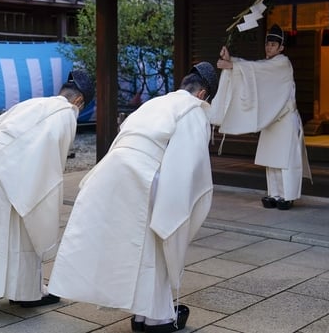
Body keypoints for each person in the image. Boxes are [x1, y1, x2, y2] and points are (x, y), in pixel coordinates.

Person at [48, 62, 218, 333]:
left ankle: (144, 314)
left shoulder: (155, 104)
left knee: (133, 246)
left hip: (112, 169)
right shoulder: (194, 110)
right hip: (144, 173)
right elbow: (188, 163)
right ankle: (157, 318)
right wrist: (178, 206)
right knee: (158, 241)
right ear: (202, 95)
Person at [0, 69, 95, 307]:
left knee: (10, 234)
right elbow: (50, 164)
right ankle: (28, 292)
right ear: (79, 101)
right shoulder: (67, 113)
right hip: (5, 172)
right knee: (27, 229)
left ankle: (20, 289)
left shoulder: (36, 103)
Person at [212, 24, 311, 210]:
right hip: (272, 118)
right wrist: (231, 59)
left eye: (274, 44)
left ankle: (287, 195)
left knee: (285, 160)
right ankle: (274, 193)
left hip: (285, 120)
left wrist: (233, 64)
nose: (269, 47)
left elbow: (256, 70)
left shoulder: (283, 63)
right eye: (268, 44)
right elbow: (257, 69)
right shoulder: (268, 65)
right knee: (271, 160)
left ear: (281, 48)